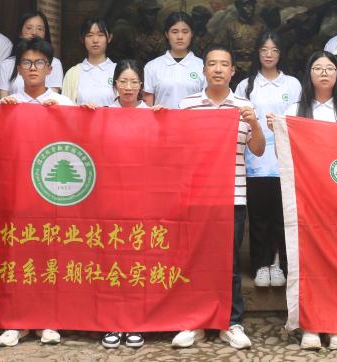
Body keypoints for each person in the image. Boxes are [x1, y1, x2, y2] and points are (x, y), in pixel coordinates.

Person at [0, 37, 93, 347]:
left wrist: (75, 115)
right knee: (17, 255)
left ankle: (49, 320)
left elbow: (84, 144)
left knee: (52, 256)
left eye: (39, 62)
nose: (33, 68)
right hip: (17, 195)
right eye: (26, 62)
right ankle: (17, 321)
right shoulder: (7, 104)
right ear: (18, 68)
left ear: (50, 69)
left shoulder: (64, 103)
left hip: (53, 195)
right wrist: (1, 117)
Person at [172, 47, 266, 350]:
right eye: (212, 64)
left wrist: (254, 124)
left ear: (232, 71)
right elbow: (176, 146)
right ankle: (195, 321)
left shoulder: (243, 106)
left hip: (232, 196)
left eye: (224, 64)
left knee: (230, 262)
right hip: (196, 196)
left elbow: (259, 150)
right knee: (195, 260)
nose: (217, 69)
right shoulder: (187, 105)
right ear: (203, 70)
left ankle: (231, 321)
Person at [284, 50, 337, 352]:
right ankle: (311, 324)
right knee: (310, 261)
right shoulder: (294, 110)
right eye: (318, 68)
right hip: (306, 198)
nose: (325, 73)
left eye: (330, 68)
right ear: (309, 74)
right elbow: (284, 154)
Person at [234, 31, 302, 289]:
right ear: (258, 53)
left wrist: (281, 125)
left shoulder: (292, 84)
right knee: (259, 216)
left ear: (280, 53)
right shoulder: (246, 85)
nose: (269, 54)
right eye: (264, 49)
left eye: (274, 50)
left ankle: (278, 263)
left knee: (281, 216)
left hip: (284, 160)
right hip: (255, 160)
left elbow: (298, 119)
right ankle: (260, 265)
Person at [101, 58, 151, 351]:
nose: (129, 87)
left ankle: (135, 321)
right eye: (123, 81)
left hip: (143, 200)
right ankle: (111, 321)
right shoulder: (103, 114)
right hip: (110, 199)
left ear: (141, 85)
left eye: (134, 82)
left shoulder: (153, 115)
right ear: (115, 85)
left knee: (138, 261)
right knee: (111, 260)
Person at [0, 10, 64, 102]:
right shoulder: (7, 64)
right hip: (14, 110)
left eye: (39, 29)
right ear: (20, 33)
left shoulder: (54, 63)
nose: (34, 32)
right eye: (29, 28)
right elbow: (4, 99)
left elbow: (52, 98)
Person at [142, 11, 206, 107]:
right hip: (162, 117)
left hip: (193, 117)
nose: (180, 37)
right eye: (174, 32)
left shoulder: (202, 66)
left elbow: (208, 102)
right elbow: (148, 105)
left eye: (185, 32)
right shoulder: (152, 66)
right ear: (167, 34)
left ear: (192, 34)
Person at [62, 17, 116, 106]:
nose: (95, 40)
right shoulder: (73, 73)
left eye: (100, 35)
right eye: (89, 35)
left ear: (109, 38)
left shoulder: (118, 71)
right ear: (82, 39)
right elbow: (65, 107)